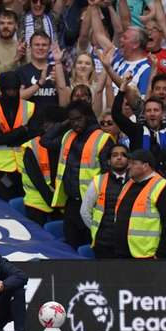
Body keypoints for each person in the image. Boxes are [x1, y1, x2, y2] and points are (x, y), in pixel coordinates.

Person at [44, 99, 114, 248]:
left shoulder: (103, 139)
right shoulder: (68, 135)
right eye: (72, 120)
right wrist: (64, 124)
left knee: (90, 246)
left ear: (88, 116)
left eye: (78, 119)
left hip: (91, 204)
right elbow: (45, 141)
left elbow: (108, 175)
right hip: (71, 203)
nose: (75, 123)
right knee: (70, 248)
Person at [111, 149, 166, 259]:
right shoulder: (129, 184)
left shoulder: (163, 187)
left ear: (145, 166)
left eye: (133, 163)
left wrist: (161, 254)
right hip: (123, 252)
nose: (129, 167)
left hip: (148, 255)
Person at [81, 144, 131, 257]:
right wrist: (97, 230)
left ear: (129, 161)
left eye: (123, 155)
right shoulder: (98, 181)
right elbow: (85, 211)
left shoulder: (135, 181)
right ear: (109, 161)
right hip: (104, 243)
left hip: (129, 244)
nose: (119, 158)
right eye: (115, 155)